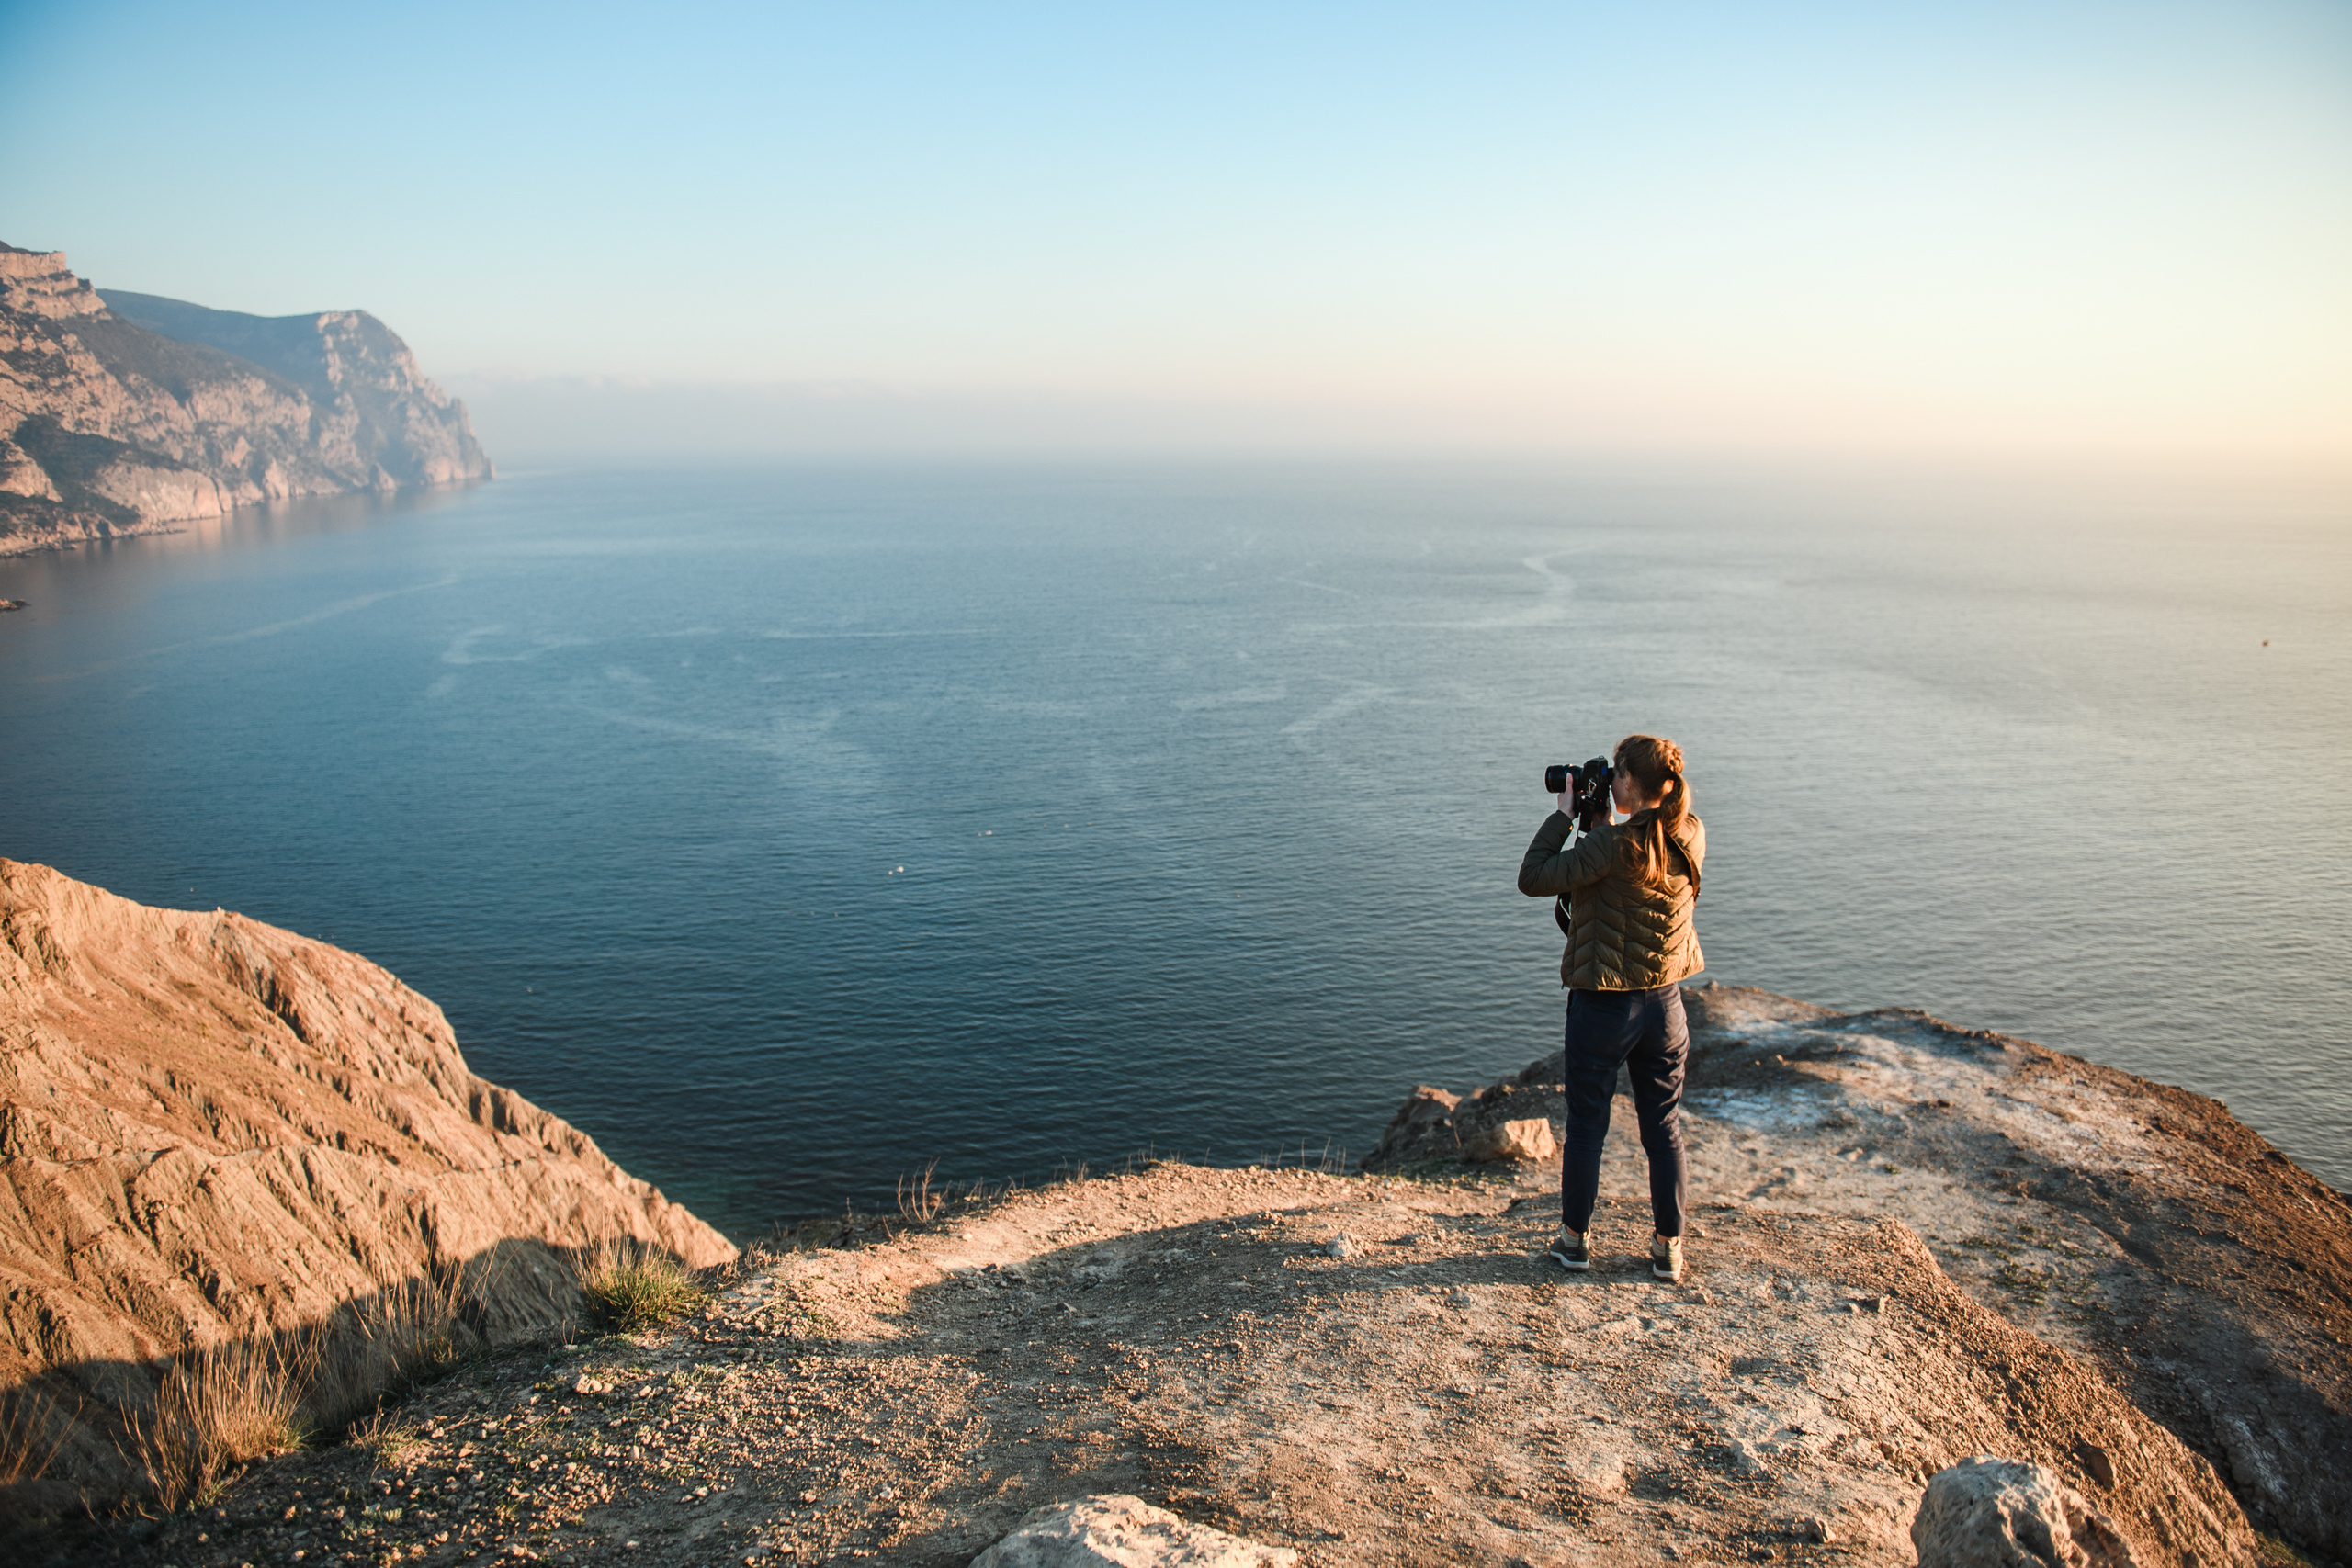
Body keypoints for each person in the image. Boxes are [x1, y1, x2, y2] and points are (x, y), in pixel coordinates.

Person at [1515, 734, 1705, 1282]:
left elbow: (1534, 877)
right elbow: (1638, 856)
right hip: (1665, 1007)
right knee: (1663, 1128)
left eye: (1618, 773)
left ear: (1632, 785)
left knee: (1586, 1126)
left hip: (1603, 1007)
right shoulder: (1690, 834)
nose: (1613, 781)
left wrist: (1567, 817)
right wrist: (1603, 827)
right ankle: (1668, 1247)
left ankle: (1574, 1241)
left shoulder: (1607, 848)